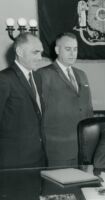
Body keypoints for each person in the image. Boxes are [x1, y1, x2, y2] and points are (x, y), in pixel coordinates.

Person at [36, 32, 93, 167]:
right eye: (68, 49)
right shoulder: (44, 74)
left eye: (75, 49)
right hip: (57, 149)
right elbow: (37, 112)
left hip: (83, 148)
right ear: (57, 50)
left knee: (82, 187)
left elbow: (88, 109)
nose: (72, 53)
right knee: (59, 186)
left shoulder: (81, 74)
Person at [0, 32, 46, 169]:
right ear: (19, 51)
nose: (40, 57)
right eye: (35, 52)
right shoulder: (4, 79)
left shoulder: (37, 77)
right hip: (13, 161)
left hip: (38, 157)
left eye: (41, 53)